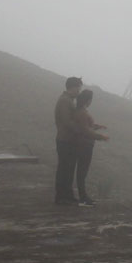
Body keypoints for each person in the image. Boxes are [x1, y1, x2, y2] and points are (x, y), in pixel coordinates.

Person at [72, 89, 109, 206]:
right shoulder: (82, 112)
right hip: (85, 144)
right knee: (82, 171)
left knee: (82, 171)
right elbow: (86, 130)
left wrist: (97, 127)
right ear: (88, 100)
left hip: (84, 144)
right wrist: (101, 137)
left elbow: (87, 126)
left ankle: (83, 196)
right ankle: (83, 197)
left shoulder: (81, 111)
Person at [53, 76, 84, 205]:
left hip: (66, 139)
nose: (79, 91)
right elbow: (67, 121)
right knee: (65, 168)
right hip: (66, 140)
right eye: (78, 88)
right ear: (72, 87)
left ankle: (66, 195)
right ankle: (62, 196)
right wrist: (81, 130)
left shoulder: (67, 100)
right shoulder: (66, 101)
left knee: (68, 168)